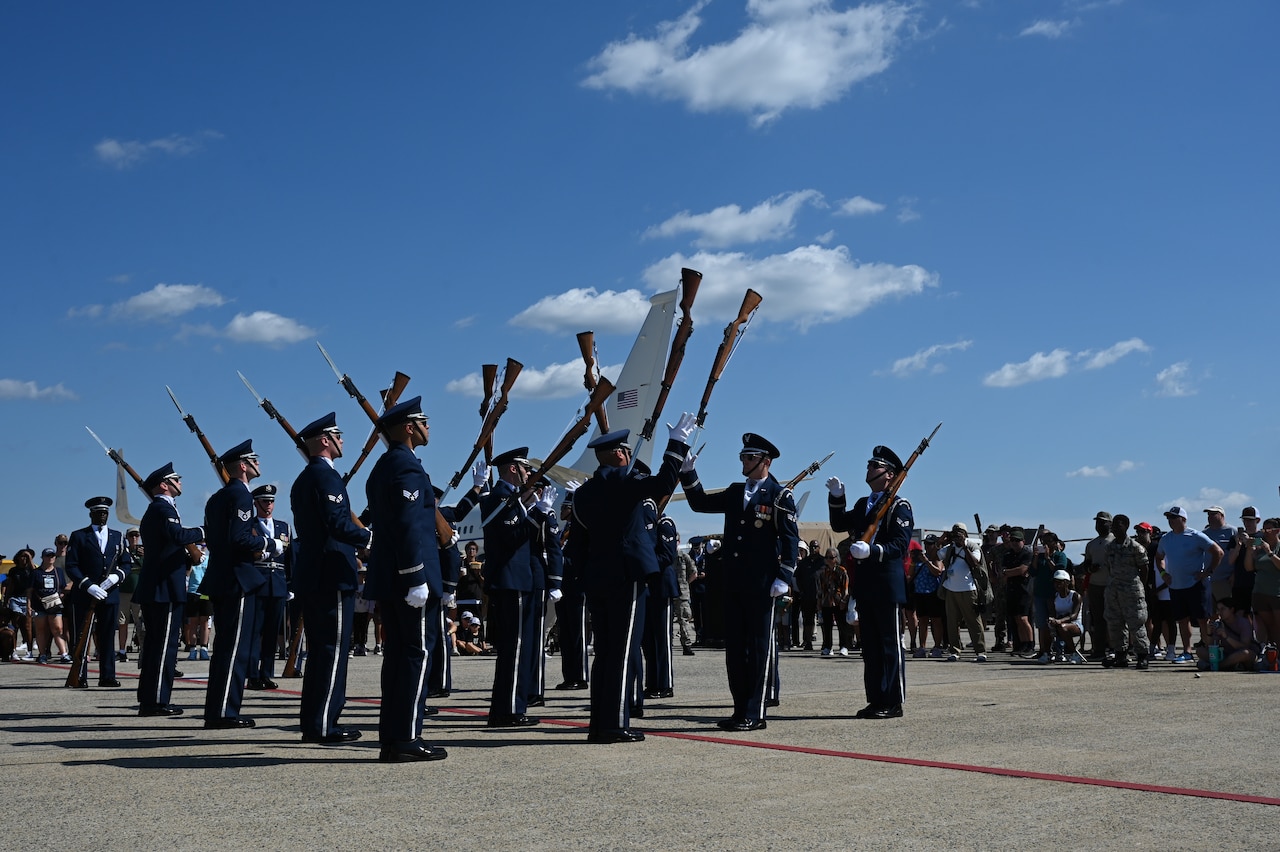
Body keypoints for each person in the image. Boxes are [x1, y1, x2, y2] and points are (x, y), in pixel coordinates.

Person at [569, 417, 694, 742]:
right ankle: (614, 725)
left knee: (606, 653)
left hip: (597, 580)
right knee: (624, 651)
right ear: (620, 455)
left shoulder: (583, 495)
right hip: (626, 578)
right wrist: (676, 444)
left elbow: (577, 547)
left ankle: (600, 722)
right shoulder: (624, 484)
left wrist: (585, 577)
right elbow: (665, 483)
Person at [683, 431, 796, 732]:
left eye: (748, 457)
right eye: (742, 456)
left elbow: (790, 539)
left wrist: (784, 575)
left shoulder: (779, 495)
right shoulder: (735, 491)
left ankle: (754, 712)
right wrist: (687, 471)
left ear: (765, 461)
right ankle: (739, 710)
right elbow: (699, 503)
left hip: (762, 584)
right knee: (735, 649)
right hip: (733, 582)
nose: (743, 462)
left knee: (758, 648)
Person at [364, 396, 448, 762]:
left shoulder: (385, 465)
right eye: (424, 421)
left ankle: (393, 738)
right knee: (415, 656)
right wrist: (416, 576)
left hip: (392, 578)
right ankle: (406, 739)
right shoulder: (406, 468)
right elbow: (408, 526)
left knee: (398, 658)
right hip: (410, 579)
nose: (429, 427)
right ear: (409, 427)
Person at [290, 412, 373, 745]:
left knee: (324, 651)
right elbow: (337, 524)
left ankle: (316, 721)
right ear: (324, 440)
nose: (343, 440)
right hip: (331, 574)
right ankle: (324, 723)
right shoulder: (326, 478)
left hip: (316, 572)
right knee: (332, 651)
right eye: (338, 434)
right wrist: (368, 538)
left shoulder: (305, 478)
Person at [202, 439, 286, 729]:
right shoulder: (240, 496)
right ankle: (223, 712)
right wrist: (268, 543)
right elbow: (238, 538)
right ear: (243, 466)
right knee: (234, 649)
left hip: (224, 577)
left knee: (228, 647)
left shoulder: (218, 498)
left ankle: (219, 709)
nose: (258, 464)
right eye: (254, 460)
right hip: (237, 578)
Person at [827, 445, 913, 719]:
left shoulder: (900, 506)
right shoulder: (865, 504)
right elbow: (840, 524)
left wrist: (874, 551)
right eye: (869, 464)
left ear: (889, 474)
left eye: (874, 465)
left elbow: (900, 545)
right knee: (871, 647)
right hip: (865, 583)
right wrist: (837, 498)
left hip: (886, 585)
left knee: (889, 644)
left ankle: (893, 701)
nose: (869, 469)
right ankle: (875, 699)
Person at [480, 447, 558, 729]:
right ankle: (508, 711)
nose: (528, 472)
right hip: (513, 581)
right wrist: (540, 513)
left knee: (518, 648)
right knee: (515, 648)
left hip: (518, 580)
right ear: (513, 468)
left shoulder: (509, 498)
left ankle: (511, 706)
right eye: (525, 468)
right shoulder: (501, 497)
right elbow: (513, 536)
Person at [135, 463, 206, 717]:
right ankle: (155, 701)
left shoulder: (162, 509)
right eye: (176, 479)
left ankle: (150, 698)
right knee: (164, 647)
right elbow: (177, 536)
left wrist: (190, 558)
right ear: (164, 484)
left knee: (159, 646)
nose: (181, 482)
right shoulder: (163, 509)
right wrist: (203, 530)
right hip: (163, 588)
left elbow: (168, 549)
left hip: (163, 586)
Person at [64, 496, 132, 688]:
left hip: (110, 594)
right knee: (82, 636)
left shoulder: (117, 536)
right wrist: (88, 585)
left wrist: (117, 577)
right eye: (99, 513)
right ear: (91, 514)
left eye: (105, 513)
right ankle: (80, 675)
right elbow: (72, 565)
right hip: (86, 594)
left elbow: (126, 563)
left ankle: (107, 676)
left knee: (108, 635)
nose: (102, 516)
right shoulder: (79, 536)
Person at [1155, 506, 1222, 663]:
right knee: (1182, 620)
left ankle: (1207, 651)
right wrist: (1164, 573)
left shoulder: (1196, 536)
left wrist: (1208, 572)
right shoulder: (1166, 539)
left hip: (1196, 584)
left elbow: (1218, 552)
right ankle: (1187, 652)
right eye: (1169, 518)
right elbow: (1159, 557)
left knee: (1202, 619)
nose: (1170, 521)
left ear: (1183, 519)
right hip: (1176, 586)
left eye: (1174, 518)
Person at [247, 484, 290, 691]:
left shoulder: (284, 527)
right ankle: (253, 674)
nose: (269, 505)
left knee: (273, 633)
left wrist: (290, 584)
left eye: (271, 501)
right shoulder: (249, 525)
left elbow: (290, 558)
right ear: (256, 503)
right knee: (255, 632)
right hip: (258, 582)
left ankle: (267, 673)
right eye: (265, 501)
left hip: (279, 584)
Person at [1101, 514, 1151, 669]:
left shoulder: (1135, 547)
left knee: (1136, 623)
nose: (1115, 527)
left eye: (1118, 524)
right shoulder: (1109, 547)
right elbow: (1109, 567)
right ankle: (1120, 655)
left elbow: (1144, 568)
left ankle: (1142, 655)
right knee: (1115, 623)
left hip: (1131, 590)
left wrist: (1139, 585)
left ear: (1126, 526)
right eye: (1113, 525)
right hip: (1114, 590)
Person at [938, 523, 988, 663]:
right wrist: (941, 542)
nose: (957, 535)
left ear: (965, 534)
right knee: (952, 622)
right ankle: (955, 650)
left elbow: (975, 563)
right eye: (955, 533)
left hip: (969, 589)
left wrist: (964, 546)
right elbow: (935, 555)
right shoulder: (950, 548)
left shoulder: (972, 546)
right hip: (951, 589)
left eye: (959, 533)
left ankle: (980, 651)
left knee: (974, 621)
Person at [1081, 511, 1115, 659]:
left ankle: (1115, 648)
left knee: (1113, 618)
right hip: (1095, 585)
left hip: (1111, 585)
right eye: (1097, 522)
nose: (1099, 525)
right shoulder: (1091, 544)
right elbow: (1086, 563)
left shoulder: (1115, 541)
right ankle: (1099, 649)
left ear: (1110, 524)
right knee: (1097, 619)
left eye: (1103, 522)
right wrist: (1090, 569)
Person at [1244, 517, 1280, 645]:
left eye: (1269, 529)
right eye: (1264, 528)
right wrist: (1249, 550)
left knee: (1278, 625)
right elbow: (1249, 567)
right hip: (1260, 591)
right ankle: (1271, 654)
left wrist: (1269, 552)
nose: (1265, 532)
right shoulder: (1259, 547)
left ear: (1277, 531)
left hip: (1276, 592)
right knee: (1268, 626)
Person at [1196, 598, 1260, 671]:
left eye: (1223, 609)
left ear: (1231, 610)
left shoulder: (1243, 623)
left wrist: (1226, 637)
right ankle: (1229, 665)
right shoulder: (1219, 623)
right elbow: (1210, 647)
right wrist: (1209, 633)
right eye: (1218, 609)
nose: (1219, 612)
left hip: (1241, 653)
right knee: (1200, 651)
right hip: (1226, 654)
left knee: (1245, 653)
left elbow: (1245, 645)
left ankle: (1219, 666)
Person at [30, 547, 69, 663]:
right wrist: (29, 605)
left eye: (52, 556)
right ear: (43, 558)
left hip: (54, 604)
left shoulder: (58, 571)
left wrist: (61, 595)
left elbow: (62, 586)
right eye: (48, 556)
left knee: (58, 629)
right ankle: (42, 654)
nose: (51, 558)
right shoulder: (36, 573)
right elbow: (30, 590)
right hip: (39, 604)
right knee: (41, 630)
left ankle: (64, 653)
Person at [1000, 528, 1034, 656]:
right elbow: (1002, 571)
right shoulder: (1008, 555)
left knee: (1023, 618)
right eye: (1012, 540)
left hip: (1024, 590)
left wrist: (1007, 572)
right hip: (1011, 590)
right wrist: (1008, 572)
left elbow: (1022, 570)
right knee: (1016, 619)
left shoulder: (1027, 554)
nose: (1014, 543)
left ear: (1023, 541)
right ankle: (1022, 645)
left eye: (1017, 540)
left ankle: (1030, 644)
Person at [911, 535, 946, 658]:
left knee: (936, 620)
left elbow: (938, 571)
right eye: (926, 543)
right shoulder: (919, 558)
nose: (927, 546)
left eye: (930, 544)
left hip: (932, 593)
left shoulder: (937, 557)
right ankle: (922, 647)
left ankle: (937, 646)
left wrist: (926, 561)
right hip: (920, 593)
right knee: (923, 621)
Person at [1045, 570, 1084, 664]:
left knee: (1062, 627)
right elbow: (1052, 614)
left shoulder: (1075, 596)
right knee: (1046, 627)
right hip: (1059, 625)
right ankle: (1049, 653)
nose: (1057, 585)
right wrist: (1052, 620)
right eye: (1055, 582)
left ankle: (1074, 653)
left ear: (1066, 582)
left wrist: (1060, 621)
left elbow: (1074, 616)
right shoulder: (1054, 597)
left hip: (1075, 625)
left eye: (1060, 582)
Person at [817, 547, 850, 656]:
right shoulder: (823, 572)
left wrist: (844, 601)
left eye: (831, 557)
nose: (828, 560)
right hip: (827, 602)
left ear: (836, 558)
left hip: (838, 601)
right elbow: (821, 589)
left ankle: (844, 646)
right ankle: (827, 646)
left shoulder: (842, 571)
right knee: (827, 626)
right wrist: (819, 602)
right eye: (827, 557)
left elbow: (845, 588)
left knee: (841, 625)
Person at [118, 528, 143, 659]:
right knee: (122, 622)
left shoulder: (144, 552)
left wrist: (145, 555)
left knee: (140, 623)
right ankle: (122, 651)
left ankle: (143, 651)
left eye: (136, 535)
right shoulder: (123, 552)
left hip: (138, 592)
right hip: (124, 592)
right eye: (131, 535)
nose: (134, 538)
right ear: (127, 537)